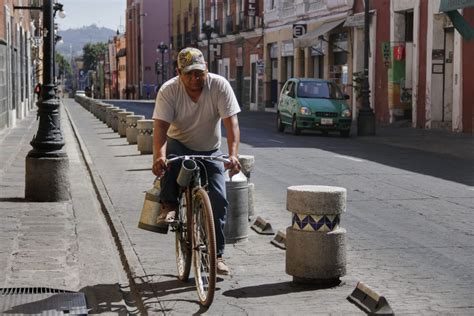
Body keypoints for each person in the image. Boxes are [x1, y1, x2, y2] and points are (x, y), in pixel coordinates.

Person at [152, 47, 241, 276]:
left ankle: (217, 255)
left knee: (219, 198)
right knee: (170, 161)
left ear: (207, 70)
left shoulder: (219, 86)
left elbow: (231, 124)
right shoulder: (169, 91)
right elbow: (161, 127)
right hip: (179, 143)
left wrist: (233, 155)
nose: (195, 78)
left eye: (199, 72)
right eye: (189, 73)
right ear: (179, 73)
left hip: (209, 149)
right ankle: (169, 204)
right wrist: (158, 157)